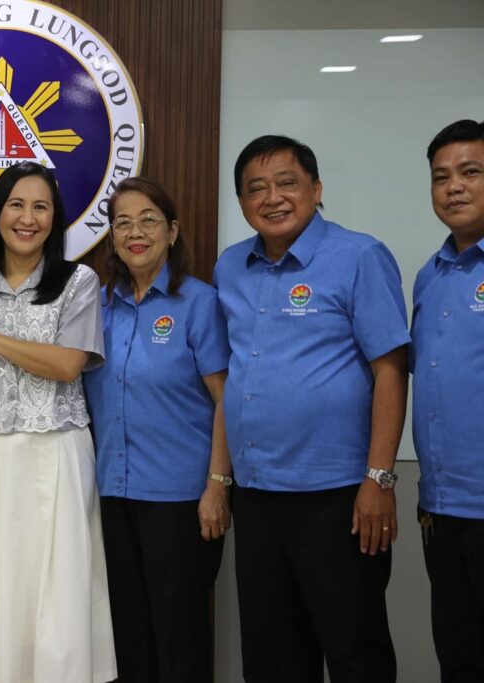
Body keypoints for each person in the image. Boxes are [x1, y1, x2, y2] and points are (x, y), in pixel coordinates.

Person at [215, 135, 409, 682]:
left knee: (354, 653)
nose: (272, 198)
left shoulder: (359, 256)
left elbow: (391, 370)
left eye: (287, 183)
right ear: (242, 201)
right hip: (257, 497)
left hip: (339, 498)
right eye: (256, 188)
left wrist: (379, 479)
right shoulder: (231, 267)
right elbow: (232, 375)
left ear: (316, 189)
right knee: (272, 658)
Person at [0, 161, 116, 683]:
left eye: (41, 207)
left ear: (55, 219)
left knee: (54, 593)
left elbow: (68, 364)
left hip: (55, 454)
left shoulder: (77, 282)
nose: (27, 218)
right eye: (16, 205)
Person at [83, 177, 230, 683]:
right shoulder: (98, 305)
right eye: (123, 223)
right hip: (111, 495)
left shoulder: (199, 303)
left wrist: (218, 487)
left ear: (172, 230)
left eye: (148, 220)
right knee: (127, 638)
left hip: (182, 501)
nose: (135, 233)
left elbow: (226, 401)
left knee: (179, 639)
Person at [411, 119, 484, 681]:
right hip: (441, 507)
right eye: (441, 177)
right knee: (457, 657)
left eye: (470, 172)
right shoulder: (428, 277)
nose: (453, 187)